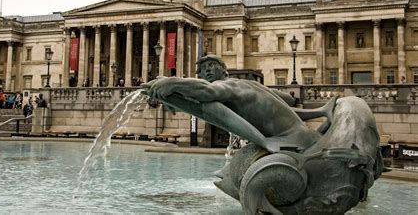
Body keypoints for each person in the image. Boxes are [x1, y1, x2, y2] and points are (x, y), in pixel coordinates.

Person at [144, 55, 335, 153]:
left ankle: (264, 143)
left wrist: (173, 82)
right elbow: (287, 108)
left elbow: (207, 93)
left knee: (211, 107)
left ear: (224, 70)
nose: (208, 71)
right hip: (309, 138)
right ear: (199, 76)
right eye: (203, 69)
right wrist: (321, 111)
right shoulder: (252, 84)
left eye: (212, 65)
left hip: (292, 145)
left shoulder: (226, 86)